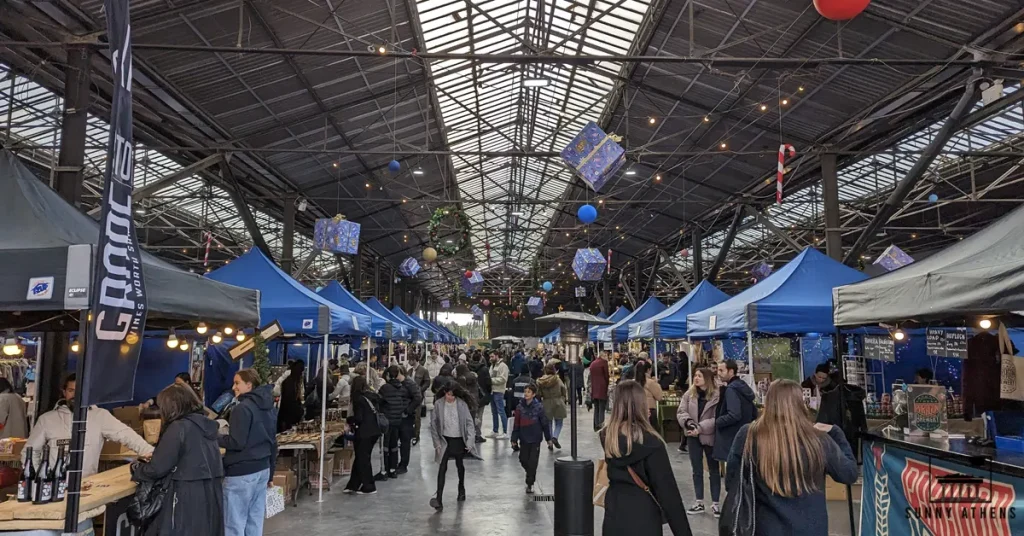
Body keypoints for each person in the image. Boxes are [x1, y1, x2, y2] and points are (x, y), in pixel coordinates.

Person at [726, 380, 859, 535]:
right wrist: (836, 433)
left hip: (764, 528)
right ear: (800, 403)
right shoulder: (818, 439)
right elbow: (849, 474)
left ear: (769, 402)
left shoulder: (749, 435)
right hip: (810, 528)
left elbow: (732, 481)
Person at [601, 381, 691, 536]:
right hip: (644, 517)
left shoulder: (608, 437)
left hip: (615, 514)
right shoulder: (652, 444)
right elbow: (668, 494)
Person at [132, 384, 223, 536]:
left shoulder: (178, 427)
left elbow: (157, 468)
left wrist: (137, 470)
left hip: (184, 496)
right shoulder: (205, 425)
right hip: (209, 493)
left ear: (171, 406)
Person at [25, 374, 153, 478]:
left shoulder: (100, 416)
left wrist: (150, 453)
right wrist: (40, 478)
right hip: (53, 487)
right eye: (71, 390)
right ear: (64, 392)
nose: (75, 395)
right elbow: (29, 452)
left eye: (80, 391)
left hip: (86, 486)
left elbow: (126, 435)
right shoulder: (47, 419)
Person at [218, 369, 277, 536]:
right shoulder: (269, 407)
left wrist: (214, 437)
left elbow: (236, 442)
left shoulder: (241, 409)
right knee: (255, 520)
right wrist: (271, 473)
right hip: (263, 469)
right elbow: (273, 442)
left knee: (234, 523)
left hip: (241, 472)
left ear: (249, 385)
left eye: (237, 383)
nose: (233, 387)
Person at [676, 368, 721, 517]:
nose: (696, 378)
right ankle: (699, 501)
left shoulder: (717, 396)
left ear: (707, 378)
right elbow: (681, 411)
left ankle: (715, 503)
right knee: (697, 470)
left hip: (709, 436)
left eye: (699, 376)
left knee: (714, 469)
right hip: (692, 436)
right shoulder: (689, 395)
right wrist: (688, 423)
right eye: (695, 375)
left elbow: (718, 418)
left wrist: (700, 428)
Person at [429, 384, 481, 511]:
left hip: (458, 439)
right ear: (444, 393)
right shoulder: (438, 404)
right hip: (444, 439)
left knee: (459, 464)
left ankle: (461, 487)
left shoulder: (462, 404)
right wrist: (436, 443)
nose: (449, 397)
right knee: (442, 468)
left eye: (452, 395)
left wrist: (470, 441)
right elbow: (434, 425)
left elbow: (469, 423)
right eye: (447, 394)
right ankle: (439, 499)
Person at [510, 382, 551, 494]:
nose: (526, 394)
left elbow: (544, 423)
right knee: (523, 459)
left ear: (533, 394)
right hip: (523, 438)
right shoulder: (519, 407)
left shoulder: (539, 407)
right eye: (525, 392)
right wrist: (514, 439)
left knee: (533, 461)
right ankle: (530, 473)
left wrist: (548, 438)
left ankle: (530, 482)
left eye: (529, 392)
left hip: (535, 438)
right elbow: (516, 424)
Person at [713, 359, 757, 463]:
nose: (718, 373)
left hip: (732, 436)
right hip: (743, 434)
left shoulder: (731, 389)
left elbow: (734, 414)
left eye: (721, 370)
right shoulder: (742, 387)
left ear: (731, 371)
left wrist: (718, 421)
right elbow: (753, 412)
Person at [345, 375, 383, 494]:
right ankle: (353, 484)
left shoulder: (358, 398)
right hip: (374, 430)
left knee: (363, 459)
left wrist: (349, 421)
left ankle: (369, 486)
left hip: (364, 432)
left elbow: (359, 418)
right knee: (361, 457)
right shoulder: (371, 396)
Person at [378, 365, 415, 478]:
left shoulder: (385, 388)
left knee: (385, 446)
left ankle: (384, 471)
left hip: (387, 421)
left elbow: (379, 401)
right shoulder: (402, 388)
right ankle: (393, 469)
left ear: (388, 375)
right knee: (394, 445)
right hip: (398, 420)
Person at [536, 364, 567, 450]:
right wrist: (564, 398)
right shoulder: (557, 379)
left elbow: (539, 393)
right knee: (559, 422)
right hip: (558, 401)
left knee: (548, 423)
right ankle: (555, 437)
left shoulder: (540, 381)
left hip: (546, 402)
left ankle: (550, 442)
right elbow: (563, 389)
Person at [398, 366, 423, 471]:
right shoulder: (402, 383)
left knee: (405, 440)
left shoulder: (409, 383)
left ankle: (403, 465)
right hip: (400, 415)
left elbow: (418, 397)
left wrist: (408, 410)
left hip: (406, 416)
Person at [408, 356, 431, 445]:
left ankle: (416, 436)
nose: (409, 362)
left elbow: (427, 382)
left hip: (418, 397)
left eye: (410, 360)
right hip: (409, 396)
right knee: (410, 416)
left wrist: (420, 389)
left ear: (415, 360)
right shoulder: (409, 371)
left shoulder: (423, 370)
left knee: (417, 416)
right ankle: (411, 434)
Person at [277, 360, 305, 433]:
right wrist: (299, 410)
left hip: (288, 415)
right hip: (288, 417)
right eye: (301, 372)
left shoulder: (292, 381)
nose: (302, 374)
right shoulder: (289, 383)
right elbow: (289, 402)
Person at [468, 355, 491, 443]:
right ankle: (477, 435)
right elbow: (488, 383)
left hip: (470, 397)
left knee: (471, 416)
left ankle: (470, 434)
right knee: (479, 416)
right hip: (481, 396)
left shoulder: (468, 368)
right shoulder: (484, 369)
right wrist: (488, 393)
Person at [635, 360, 663, 429]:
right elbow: (659, 397)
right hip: (649, 410)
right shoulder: (650, 382)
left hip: (636, 410)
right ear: (648, 370)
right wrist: (656, 383)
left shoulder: (634, 382)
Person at [488, 353, 509, 438]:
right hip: (492, 391)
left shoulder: (503, 366)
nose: (490, 358)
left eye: (492, 356)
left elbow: (503, 379)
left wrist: (491, 380)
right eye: (490, 356)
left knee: (501, 411)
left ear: (497, 356)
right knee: (494, 412)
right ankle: (495, 430)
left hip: (499, 391)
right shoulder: (492, 366)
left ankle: (506, 431)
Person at [590, 351, 610, 431]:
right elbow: (606, 375)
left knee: (596, 408)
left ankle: (596, 425)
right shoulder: (604, 363)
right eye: (606, 355)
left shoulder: (593, 363)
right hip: (602, 388)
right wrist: (607, 384)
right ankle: (601, 426)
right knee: (602, 408)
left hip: (594, 388)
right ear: (603, 355)